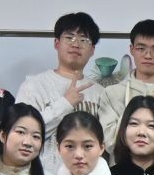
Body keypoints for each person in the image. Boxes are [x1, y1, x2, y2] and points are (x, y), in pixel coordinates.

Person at [16, 11, 119, 143]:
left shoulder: (101, 92)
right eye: (69, 37)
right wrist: (66, 103)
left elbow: (108, 140)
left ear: (92, 50)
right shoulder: (33, 86)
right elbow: (23, 134)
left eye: (84, 40)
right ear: (57, 43)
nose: (75, 44)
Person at [108, 19, 154, 116]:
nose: (148, 55)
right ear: (132, 49)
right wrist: (151, 106)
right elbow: (109, 127)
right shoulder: (112, 94)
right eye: (141, 48)